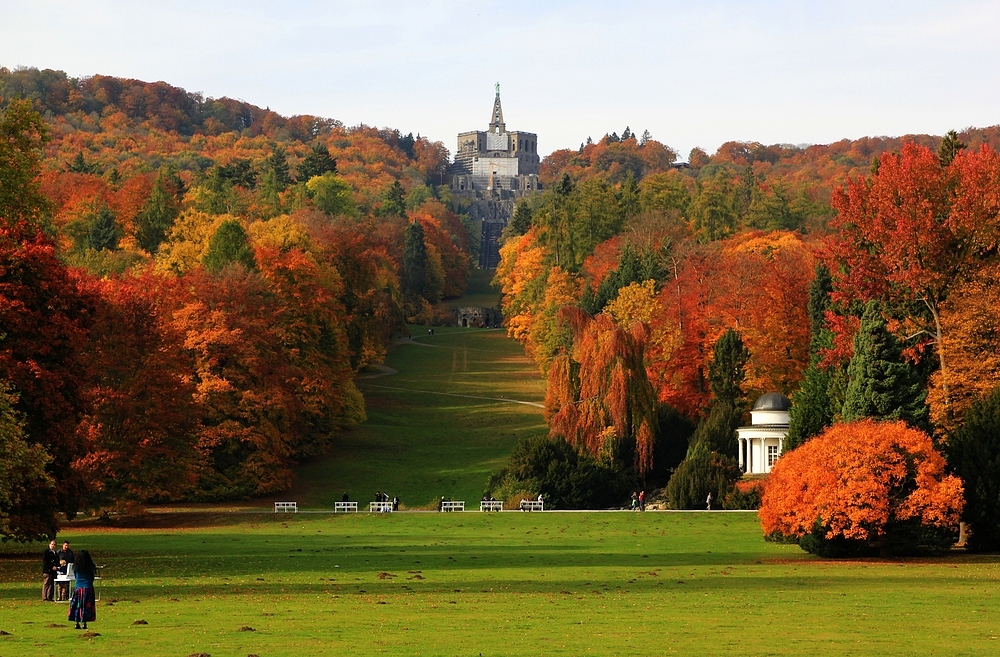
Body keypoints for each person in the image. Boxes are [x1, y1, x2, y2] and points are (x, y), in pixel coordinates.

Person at [68, 549, 97, 630]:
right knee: (86, 606)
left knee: (77, 605)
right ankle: (84, 623)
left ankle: (76, 622)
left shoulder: (76, 566)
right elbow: (92, 576)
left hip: (78, 587)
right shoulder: (90, 566)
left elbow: (75, 576)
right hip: (88, 587)